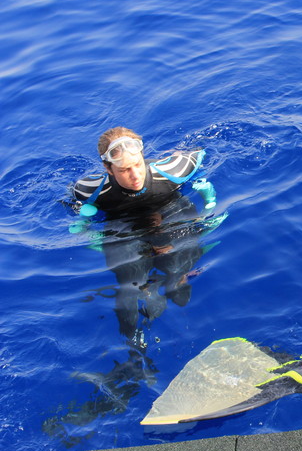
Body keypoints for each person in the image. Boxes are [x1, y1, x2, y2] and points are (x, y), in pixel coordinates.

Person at [71, 127, 214, 342]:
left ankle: (174, 281)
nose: (135, 175)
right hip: (124, 225)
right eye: (124, 170)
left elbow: (200, 154)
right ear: (108, 168)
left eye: (138, 164)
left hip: (169, 214)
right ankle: (134, 329)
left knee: (178, 270)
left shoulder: (172, 171)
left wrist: (208, 210)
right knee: (130, 283)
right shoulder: (91, 190)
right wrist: (94, 237)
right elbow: (77, 211)